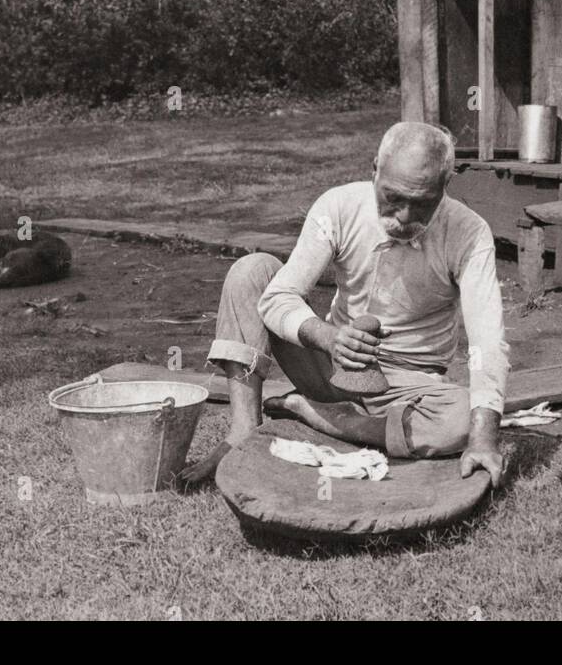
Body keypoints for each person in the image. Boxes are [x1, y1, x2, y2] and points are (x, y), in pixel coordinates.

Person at [179, 120, 509, 487]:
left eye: (421, 204)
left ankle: (320, 416)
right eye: (393, 197)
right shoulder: (338, 206)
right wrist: (329, 338)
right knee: (252, 272)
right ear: (374, 171)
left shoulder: (469, 232)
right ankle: (243, 427)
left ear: (445, 186)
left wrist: (482, 439)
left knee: (462, 421)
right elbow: (277, 298)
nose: (404, 217)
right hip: (332, 366)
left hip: (407, 385)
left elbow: (487, 341)